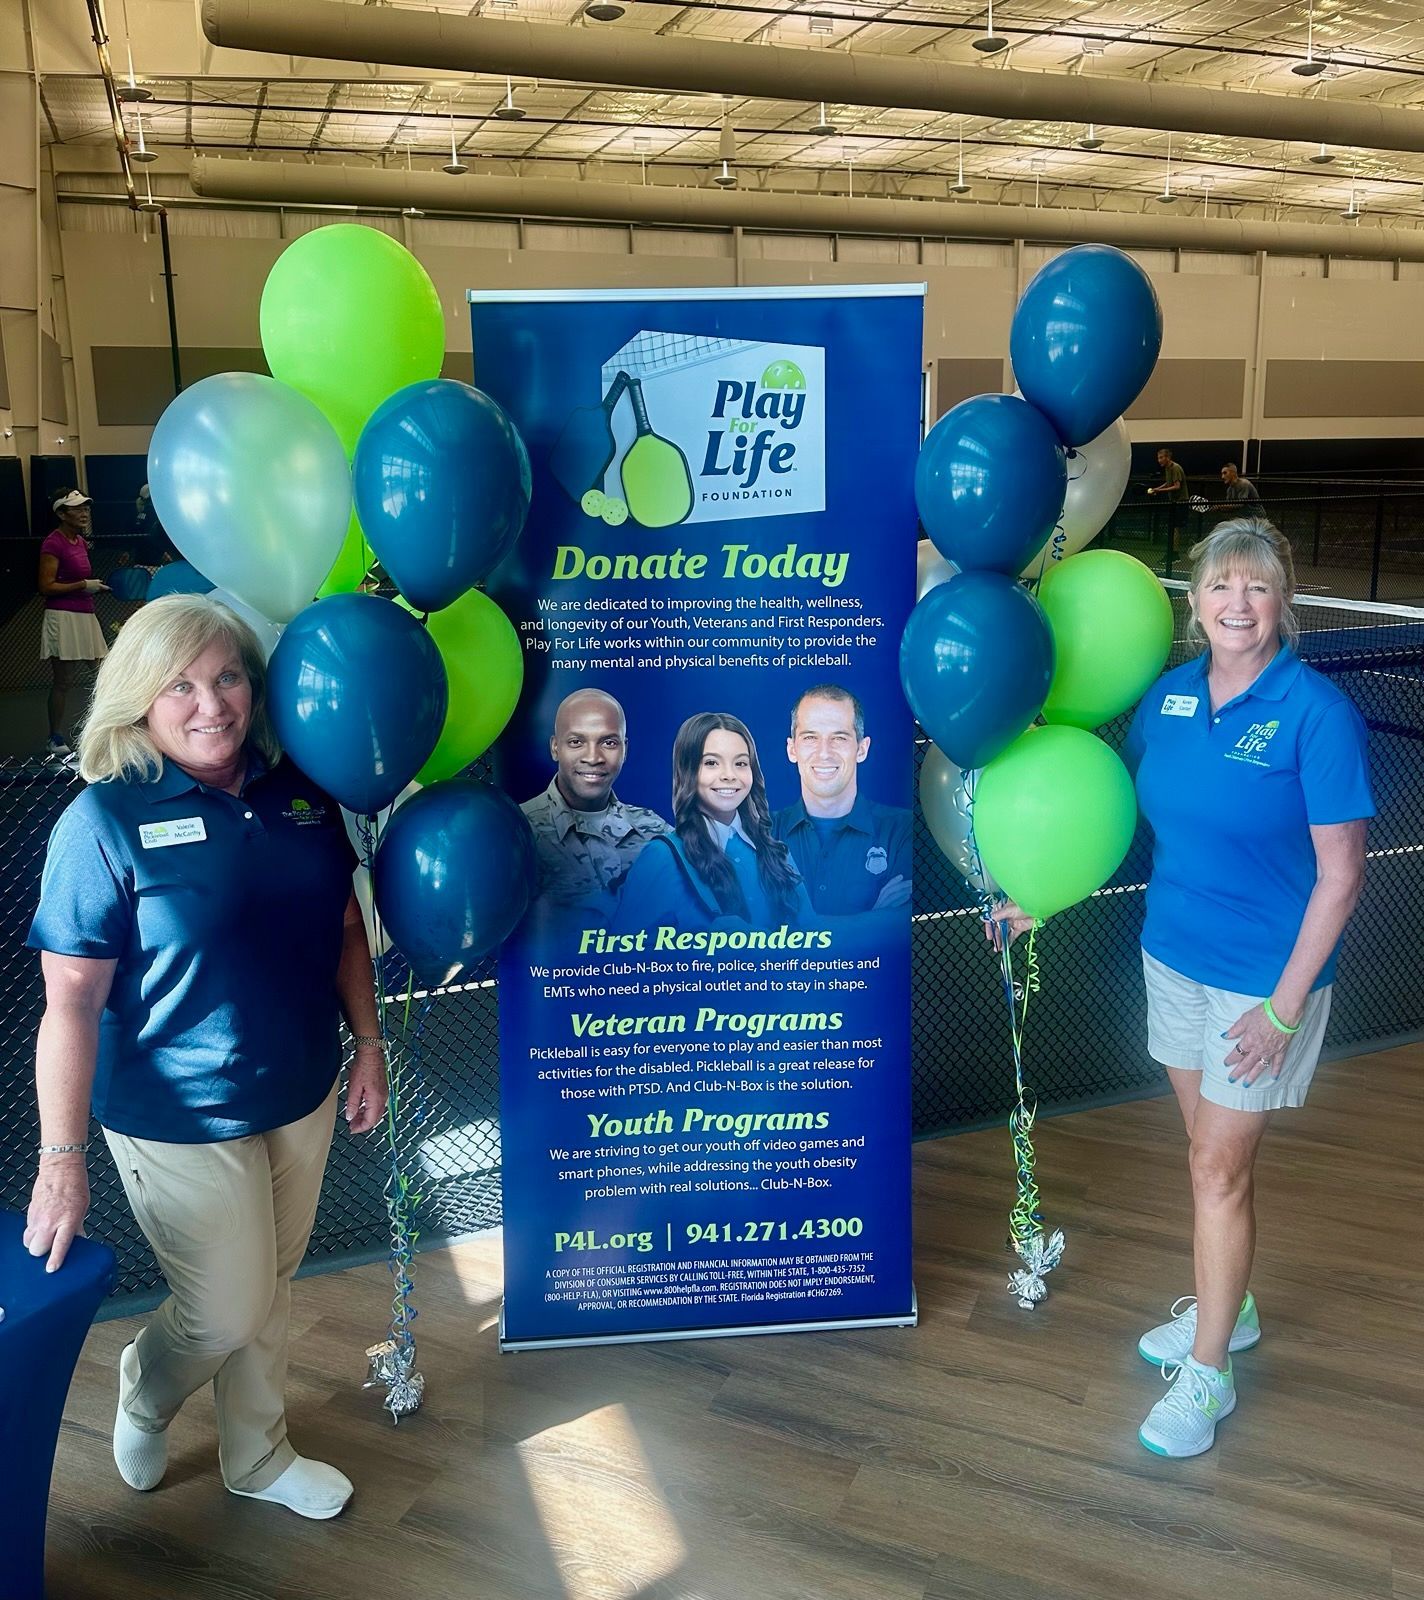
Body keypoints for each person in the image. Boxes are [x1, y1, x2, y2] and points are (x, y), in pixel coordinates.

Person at [994, 519, 1371, 1459]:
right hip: (1173, 958)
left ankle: (1209, 1371)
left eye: (1256, 588)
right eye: (1218, 588)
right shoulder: (1166, 699)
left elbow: (1341, 876)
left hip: (1262, 987)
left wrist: (1284, 1011)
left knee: (1217, 1169)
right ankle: (1228, 1304)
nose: (1237, 605)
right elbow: (1111, 811)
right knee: (1206, 1150)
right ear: (1193, 603)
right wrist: (1046, 895)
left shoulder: (1317, 715)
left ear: (1284, 601)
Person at [23, 594, 388, 1519]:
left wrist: (370, 1042)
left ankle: (257, 1456)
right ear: (139, 700)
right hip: (173, 1110)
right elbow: (69, 1000)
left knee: (269, 1292)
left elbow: (345, 925)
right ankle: (145, 1385)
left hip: (299, 1087)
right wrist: (60, 1161)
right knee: (224, 1305)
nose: (210, 705)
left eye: (227, 676)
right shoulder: (103, 820)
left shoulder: (299, 793)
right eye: (178, 685)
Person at [614, 712, 813, 931]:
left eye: (740, 763)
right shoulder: (663, 856)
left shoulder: (777, 853)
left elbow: (814, 938)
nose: (729, 775)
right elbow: (625, 956)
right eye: (711, 762)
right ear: (687, 770)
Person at [521, 688, 669, 913]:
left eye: (608, 743)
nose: (593, 757)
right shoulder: (519, 831)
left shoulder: (654, 831)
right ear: (555, 747)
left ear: (624, 750)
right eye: (576, 742)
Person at [773, 684, 912, 915]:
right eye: (810, 737)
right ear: (792, 749)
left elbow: (893, 930)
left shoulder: (902, 830)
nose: (824, 752)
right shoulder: (760, 833)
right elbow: (751, 931)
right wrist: (874, 917)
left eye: (839, 738)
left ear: (862, 749)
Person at [38, 490, 109, 756]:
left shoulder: (79, 541)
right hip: (62, 617)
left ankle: (109, 730)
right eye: (77, 509)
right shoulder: (52, 543)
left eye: (86, 509)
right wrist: (82, 585)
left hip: (86, 614)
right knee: (63, 681)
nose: (84, 513)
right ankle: (54, 737)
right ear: (61, 513)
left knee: (104, 674)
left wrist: (93, 587)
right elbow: (45, 586)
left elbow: (78, 581)